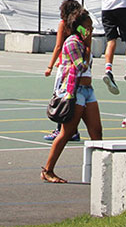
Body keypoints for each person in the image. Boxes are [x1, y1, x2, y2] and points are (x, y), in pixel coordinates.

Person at [41, 9, 102, 183]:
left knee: (96, 132)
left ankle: (99, 171)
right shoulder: (73, 42)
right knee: (66, 132)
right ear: (79, 27)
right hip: (75, 92)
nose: (90, 30)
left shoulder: (83, 43)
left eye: (91, 27)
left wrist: (88, 43)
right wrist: (88, 44)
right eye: (87, 27)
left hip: (88, 90)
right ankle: (48, 170)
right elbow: (80, 66)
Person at [43, 0, 83, 142]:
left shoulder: (63, 25)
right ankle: (72, 130)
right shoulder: (80, 27)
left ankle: (61, 130)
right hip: (77, 66)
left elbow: (58, 46)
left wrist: (50, 66)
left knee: (61, 97)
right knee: (72, 97)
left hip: (65, 67)